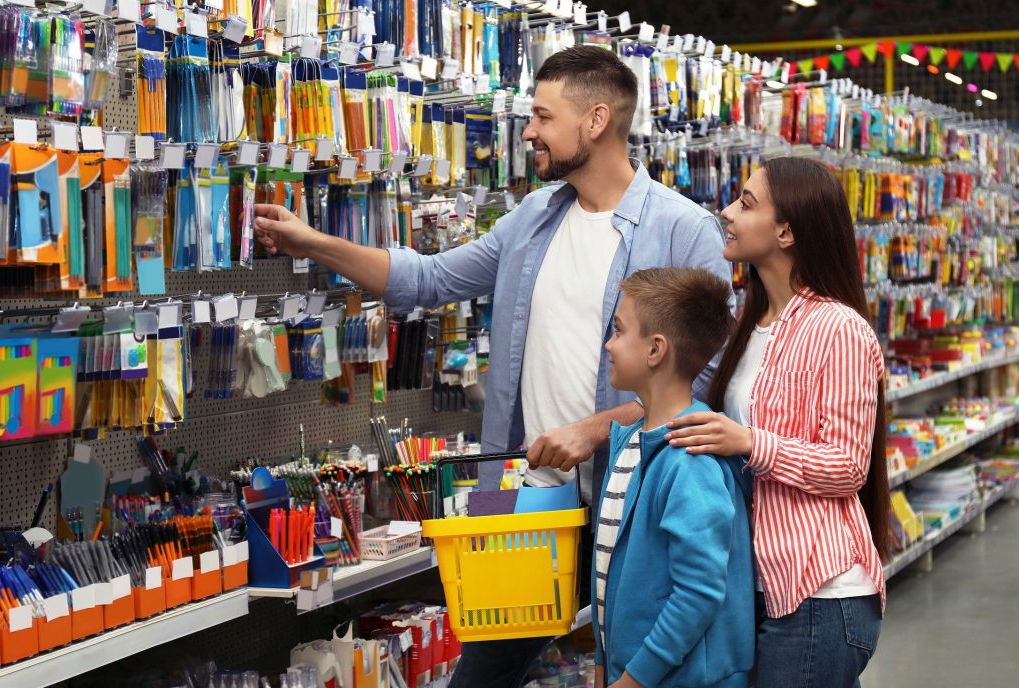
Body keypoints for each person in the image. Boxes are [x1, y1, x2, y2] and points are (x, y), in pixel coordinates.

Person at [252, 45, 732, 687]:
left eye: (542, 116)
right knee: (484, 673)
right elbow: (425, 279)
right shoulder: (535, 219)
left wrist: (592, 430)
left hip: (634, 496)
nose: (528, 131)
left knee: (633, 666)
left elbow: (699, 386)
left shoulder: (684, 231)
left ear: (594, 121)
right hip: (535, 500)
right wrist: (311, 240)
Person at [664, 157, 890, 688]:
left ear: (786, 231)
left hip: (820, 594)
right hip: (765, 586)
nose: (726, 213)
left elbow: (846, 466)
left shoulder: (839, 329)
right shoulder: (753, 322)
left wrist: (748, 441)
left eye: (746, 204)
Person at [594, 268, 753, 688]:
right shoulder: (631, 441)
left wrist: (633, 679)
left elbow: (698, 592)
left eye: (619, 331)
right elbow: (609, 571)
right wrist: (602, 661)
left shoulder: (689, 457)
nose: (609, 344)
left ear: (655, 350)